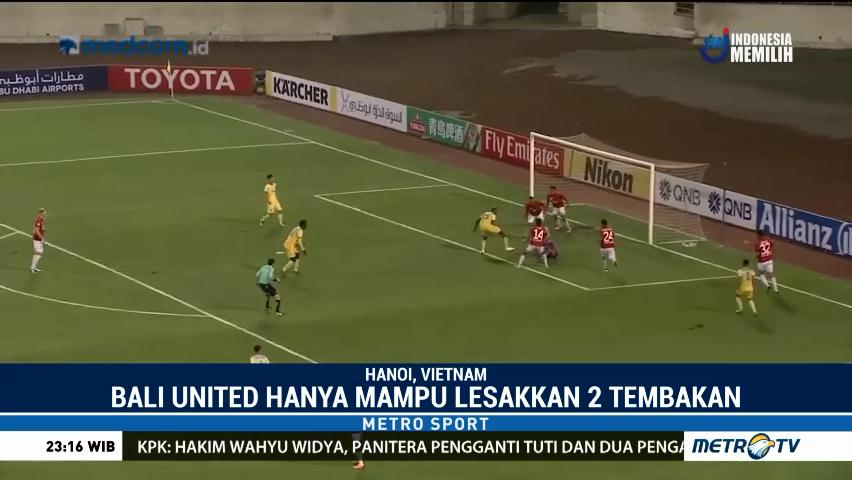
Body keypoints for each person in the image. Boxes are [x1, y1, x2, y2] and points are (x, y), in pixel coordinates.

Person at [754, 229, 779, 294]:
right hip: (769, 259)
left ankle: (767, 285)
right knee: (771, 274)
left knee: (761, 273)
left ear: (758, 235)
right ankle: (776, 289)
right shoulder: (768, 239)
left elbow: (757, 252)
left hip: (762, 261)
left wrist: (757, 256)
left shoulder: (757, 243)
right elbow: (772, 245)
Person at [31, 208, 46, 273]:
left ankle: (34, 267)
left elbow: (36, 229)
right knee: (39, 252)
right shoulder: (38, 220)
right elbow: (37, 230)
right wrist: (42, 238)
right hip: (37, 239)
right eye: (43, 211)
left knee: (38, 252)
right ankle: (32, 267)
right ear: (41, 213)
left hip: (38, 238)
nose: (45, 212)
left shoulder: (41, 219)